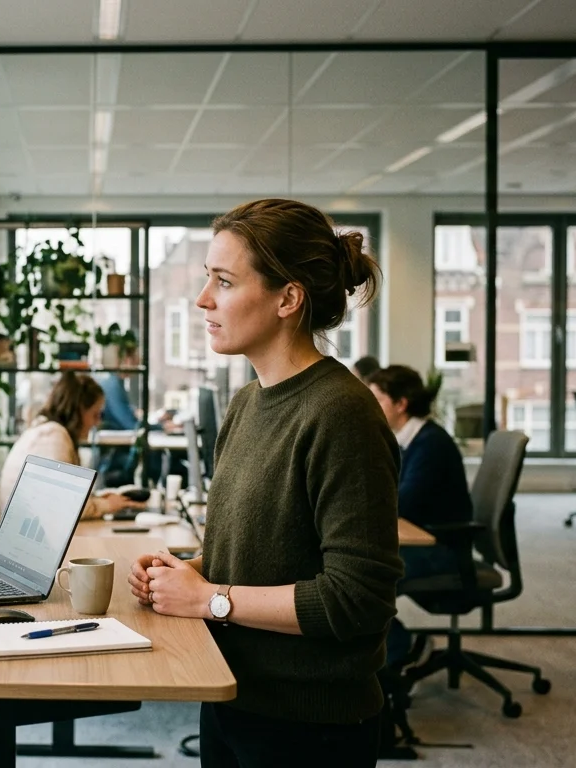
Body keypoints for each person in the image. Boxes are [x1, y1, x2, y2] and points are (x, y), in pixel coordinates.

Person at [128, 199, 402, 768]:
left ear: (288, 298)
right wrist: (188, 573)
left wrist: (209, 599)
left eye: (224, 282)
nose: (204, 299)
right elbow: (262, 551)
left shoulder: (341, 412)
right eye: (207, 279)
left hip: (308, 722)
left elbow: (357, 600)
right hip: (234, 693)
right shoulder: (248, 402)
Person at [366, 364, 472, 665]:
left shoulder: (430, 444)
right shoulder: (409, 439)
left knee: (364, 577)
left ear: (401, 404)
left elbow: (403, 502)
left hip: (444, 550)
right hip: (424, 538)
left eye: (378, 400)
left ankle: (403, 647)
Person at [0, 372, 146, 523]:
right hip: (27, 531)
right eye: (95, 414)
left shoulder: (47, 432)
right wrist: (107, 505)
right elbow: (66, 506)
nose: (97, 422)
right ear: (79, 409)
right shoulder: (53, 438)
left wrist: (99, 499)